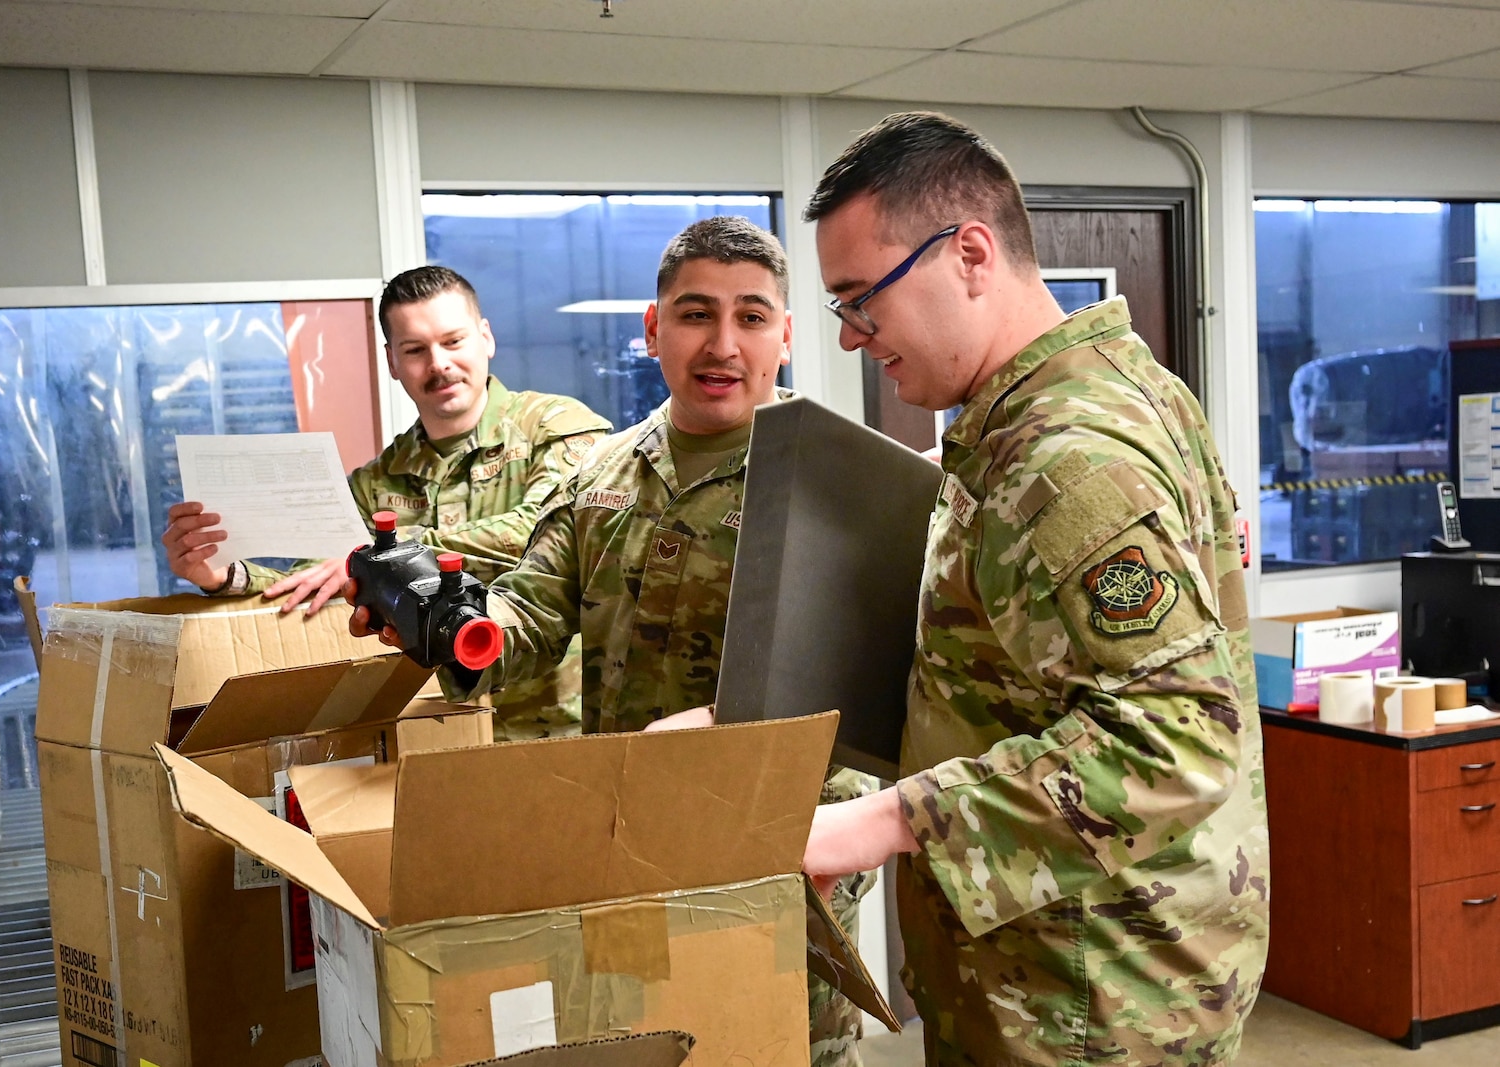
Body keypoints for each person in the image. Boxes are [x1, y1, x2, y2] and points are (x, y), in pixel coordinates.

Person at [800, 112, 1269, 1066]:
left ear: (969, 252)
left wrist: (886, 820)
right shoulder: (1104, 397)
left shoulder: (1063, 456)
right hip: (1076, 960)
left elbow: (1179, 736)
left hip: (1086, 997)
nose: (853, 337)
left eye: (862, 301)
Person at [349, 217, 873, 1067]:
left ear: (783, 334)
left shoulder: (837, 483)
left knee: (787, 1049)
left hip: (785, 851)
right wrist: (441, 624)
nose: (723, 343)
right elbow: (525, 614)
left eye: (751, 317)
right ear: (653, 328)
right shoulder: (601, 476)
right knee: (654, 1041)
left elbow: (858, 682)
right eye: (697, 313)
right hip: (631, 842)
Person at [161, 265, 611, 739]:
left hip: (554, 732)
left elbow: (546, 537)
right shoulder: (375, 483)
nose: (438, 364)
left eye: (453, 341)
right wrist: (224, 575)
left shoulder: (556, 427)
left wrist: (395, 557)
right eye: (415, 350)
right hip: (429, 737)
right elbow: (321, 579)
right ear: (392, 362)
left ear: (486, 338)